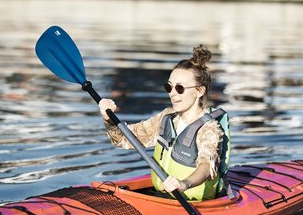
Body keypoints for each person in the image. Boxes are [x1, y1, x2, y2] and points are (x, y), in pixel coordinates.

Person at [98, 45, 230, 201]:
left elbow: (206, 167)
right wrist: (109, 119)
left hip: (193, 202)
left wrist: (183, 184)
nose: (172, 94)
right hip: (161, 197)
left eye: (180, 88)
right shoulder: (166, 118)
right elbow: (125, 139)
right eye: (169, 87)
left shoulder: (209, 128)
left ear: (200, 91)